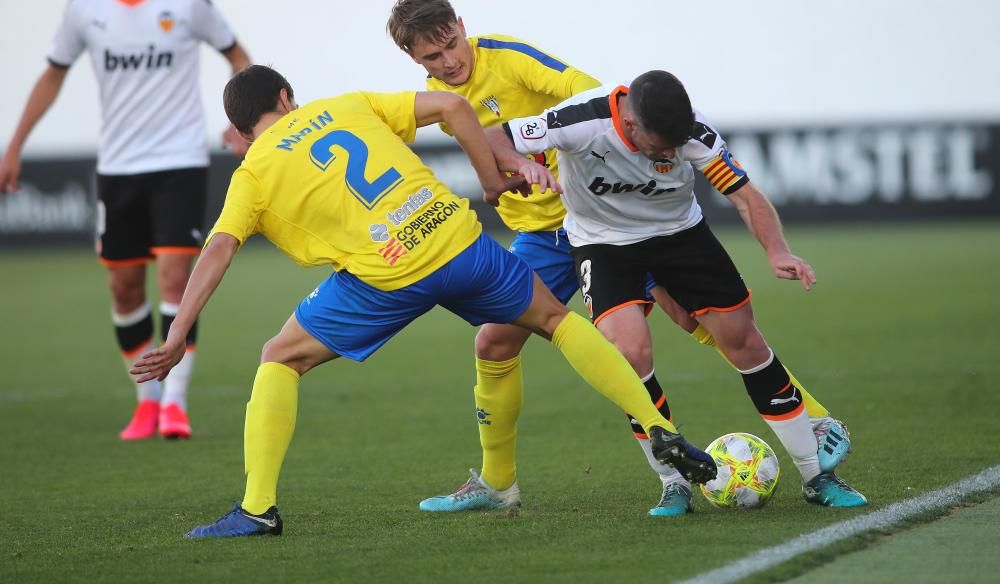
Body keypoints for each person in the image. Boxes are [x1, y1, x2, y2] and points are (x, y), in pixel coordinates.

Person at [130, 64, 716, 538]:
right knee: (557, 320)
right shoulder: (348, 103)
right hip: (456, 239)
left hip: (386, 275)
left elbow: (218, 250)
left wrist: (179, 335)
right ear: (287, 97)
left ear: (240, 131)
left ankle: (258, 509)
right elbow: (455, 107)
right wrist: (489, 178)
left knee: (280, 357)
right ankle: (656, 422)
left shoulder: (253, 171)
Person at [387, 0, 851, 516]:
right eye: (432, 56)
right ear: (414, 59)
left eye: (452, 44)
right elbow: (489, 162)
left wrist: (550, 152)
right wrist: (515, 168)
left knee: (701, 321)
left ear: (461, 25)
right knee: (495, 343)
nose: (449, 61)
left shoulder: (511, 58)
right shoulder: (440, 102)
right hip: (551, 237)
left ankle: (813, 421)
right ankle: (499, 484)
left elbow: (588, 96)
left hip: (616, 219)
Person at [487, 70, 868, 508]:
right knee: (629, 356)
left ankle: (816, 476)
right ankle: (673, 481)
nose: (670, 152)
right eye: (661, 146)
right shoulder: (578, 120)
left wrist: (777, 250)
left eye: (675, 144)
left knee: (743, 342)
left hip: (680, 236)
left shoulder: (692, 131)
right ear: (629, 125)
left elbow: (745, 195)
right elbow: (494, 136)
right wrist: (520, 164)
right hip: (603, 244)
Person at [0, 0, 251, 440]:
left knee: (176, 278)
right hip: (117, 168)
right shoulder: (85, 9)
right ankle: (147, 400)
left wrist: (241, 122)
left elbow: (239, 57)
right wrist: (15, 144)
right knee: (123, 286)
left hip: (179, 161)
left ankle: (175, 403)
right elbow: (52, 76)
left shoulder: (187, 2)